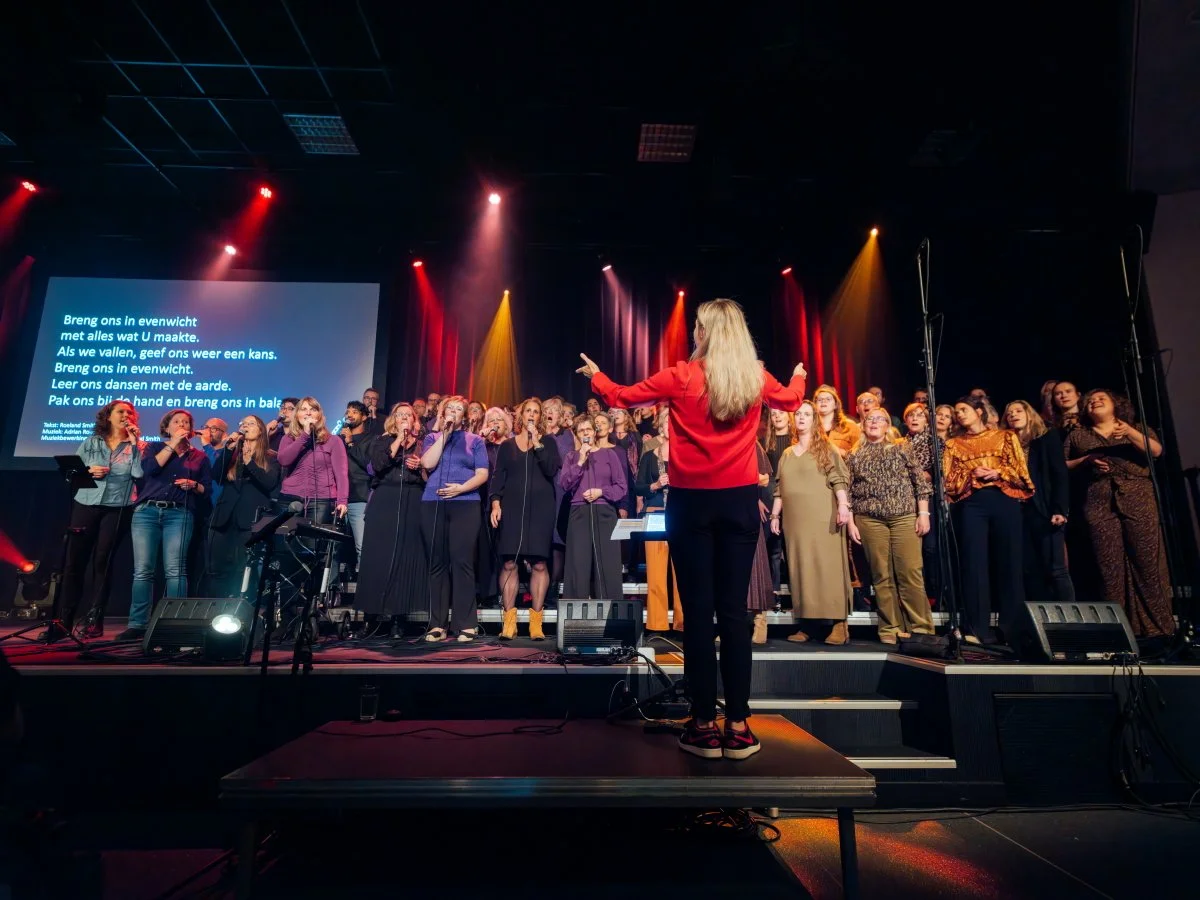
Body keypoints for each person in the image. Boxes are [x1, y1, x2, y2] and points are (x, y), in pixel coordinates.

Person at [581, 297, 805, 761]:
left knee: (700, 616)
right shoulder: (754, 377)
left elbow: (622, 396)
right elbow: (791, 398)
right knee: (735, 614)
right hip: (740, 503)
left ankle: (703, 725)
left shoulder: (682, 376)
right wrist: (800, 373)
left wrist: (597, 376)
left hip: (692, 505)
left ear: (703, 332)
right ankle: (739, 726)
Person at [1064, 390, 1174, 639]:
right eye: (1090, 401)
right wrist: (1086, 460)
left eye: (1101, 398)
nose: (1095, 402)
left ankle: (1159, 630)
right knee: (1108, 566)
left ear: (1116, 404)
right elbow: (1062, 464)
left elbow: (1156, 451)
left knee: (1147, 562)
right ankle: (1119, 631)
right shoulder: (1079, 435)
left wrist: (1130, 433)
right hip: (1098, 500)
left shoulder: (1135, 427)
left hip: (1137, 496)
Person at [943, 396, 1034, 645]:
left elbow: (1020, 472)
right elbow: (949, 482)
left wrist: (997, 472)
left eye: (964, 409)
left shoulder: (1005, 437)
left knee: (1009, 563)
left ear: (980, 411)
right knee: (974, 564)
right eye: (956, 411)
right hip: (971, 504)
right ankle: (976, 629)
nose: (959, 414)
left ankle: (1012, 630)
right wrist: (972, 473)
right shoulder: (954, 444)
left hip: (1003, 500)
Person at [119, 409, 212, 642]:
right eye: (176, 422)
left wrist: (194, 485)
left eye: (186, 422)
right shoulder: (154, 448)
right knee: (143, 570)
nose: (182, 424)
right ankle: (138, 624)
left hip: (179, 514)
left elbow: (207, 490)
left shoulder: (199, 456)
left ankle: (174, 623)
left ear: (191, 429)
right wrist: (172, 444)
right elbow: (151, 469)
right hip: (146, 513)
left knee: (175, 570)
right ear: (167, 428)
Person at [55, 400, 143, 640]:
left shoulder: (139, 445)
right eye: (121, 411)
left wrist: (135, 444)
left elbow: (138, 474)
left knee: (102, 562)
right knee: (74, 562)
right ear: (109, 416)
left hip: (118, 507)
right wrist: (89, 471)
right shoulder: (91, 442)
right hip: (86, 503)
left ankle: (94, 620)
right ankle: (64, 619)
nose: (126, 415)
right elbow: (71, 471)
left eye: (130, 412)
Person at [846, 409, 935, 644]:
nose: (874, 422)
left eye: (879, 419)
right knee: (881, 575)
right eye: (869, 419)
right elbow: (849, 492)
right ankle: (890, 627)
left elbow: (920, 482)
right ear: (863, 425)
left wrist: (923, 513)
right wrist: (851, 523)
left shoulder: (901, 447)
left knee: (910, 572)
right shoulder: (854, 454)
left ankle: (921, 628)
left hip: (904, 516)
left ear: (888, 425)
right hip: (870, 519)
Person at [770, 401, 853, 645]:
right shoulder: (787, 453)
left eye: (807, 414)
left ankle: (839, 624)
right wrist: (775, 515)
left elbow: (839, 479)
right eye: (798, 414)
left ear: (814, 420)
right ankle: (807, 624)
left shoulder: (825, 448)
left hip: (822, 517)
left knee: (827, 567)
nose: (802, 418)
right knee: (800, 568)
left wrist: (843, 506)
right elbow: (779, 488)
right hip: (795, 521)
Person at [489, 398, 561, 640]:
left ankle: (535, 624)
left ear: (540, 417)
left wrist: (538, 442)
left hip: (541, 509)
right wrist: (496, 503)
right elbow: (498, 477)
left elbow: (551, 469)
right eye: (528, 410)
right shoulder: (507, 445)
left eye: (536, 412)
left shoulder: (548, 442)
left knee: (539, 564)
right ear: (521, 415)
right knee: (509, 562)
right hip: (512, 507)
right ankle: (509, 622)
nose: (532, 414)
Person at [420, 395, 489, 642]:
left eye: (459, 409)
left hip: (465, 504)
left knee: (462, 562)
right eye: (450, 408)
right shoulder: (431, 437)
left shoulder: (475, 441)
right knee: (437, 563)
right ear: (442, 413)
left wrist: (461, 488)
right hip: (433, 503)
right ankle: (437, 624)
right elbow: (427, 464)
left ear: (465, 416)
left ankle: (466, 623)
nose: (454, 411)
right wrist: (444, 436)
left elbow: (482, 473)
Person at [355, 404, 428, 638]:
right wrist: (397, 440)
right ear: (394, 420)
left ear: (415, 420)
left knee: (404, 558)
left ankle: (399, 619)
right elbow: (377, 466)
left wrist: (421, 466)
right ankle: (370, 617)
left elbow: (430, 474)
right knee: (376, 558)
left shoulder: (423, 443)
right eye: (400, 415)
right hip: (385, 499)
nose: (404, 418)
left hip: (412, 499)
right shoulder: (382, 441)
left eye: (409, 415)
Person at [1004, 400, 1075, 608]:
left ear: (1029, 414)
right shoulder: (1006, 443)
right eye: (1009, 413)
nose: (1014, 415)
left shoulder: (1045, 437)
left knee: (1056, 568)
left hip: (1043, 508)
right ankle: (1043, 620)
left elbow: (1059, 474)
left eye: (1018, 411)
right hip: (1018, 510)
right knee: (1030, 569)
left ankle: (1069, 619)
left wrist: (1060, 509)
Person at [206, 415, 280, 598]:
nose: (245, 426)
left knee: (244, 568)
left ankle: (243, 608)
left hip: (250, 519)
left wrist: (250, 463)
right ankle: (217, 608)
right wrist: (228, 450)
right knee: (217, 566)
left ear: (261, 430)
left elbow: (269, 483)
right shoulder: (233, 453)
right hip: (224, 517)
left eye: (250, 423)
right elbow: (216, 475)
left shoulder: (271, 457)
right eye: (243, 423)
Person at [559, 417, 626, 601]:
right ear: (578, 435)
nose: (586, 433)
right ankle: (576, 619)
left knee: (607, 564)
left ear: (595, 432)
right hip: (579, 514)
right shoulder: (572, 457)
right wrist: (580, 460)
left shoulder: (609, 454)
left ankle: (610, 616)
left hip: (605, 513)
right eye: (581, 431)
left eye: (588, 429)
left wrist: (601, 492)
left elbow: (621, 487)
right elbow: (564, 483)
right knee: (578, 565)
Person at [277, 397, 349, 525]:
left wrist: (342, 501)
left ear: (319, 415)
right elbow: (284, 460)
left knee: (312, 543)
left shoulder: (333, 441)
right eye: (303, 409)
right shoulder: (288, 438)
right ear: (297, 415)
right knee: (284, 542)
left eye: (313, 409)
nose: (308, 413)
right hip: (290, 499)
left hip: (321, 501)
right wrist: (304, 435)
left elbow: (341, 474)